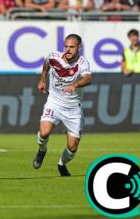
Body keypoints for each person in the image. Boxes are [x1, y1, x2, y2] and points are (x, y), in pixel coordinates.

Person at [33, 34, 92, 177]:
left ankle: (61, 164)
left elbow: (88, 78)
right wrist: (42, 80)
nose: (68, 49)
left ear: (79, 48)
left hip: (73, 108)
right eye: (66, 46)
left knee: (72, 147)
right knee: (44, 132)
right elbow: (46, 64)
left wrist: (75, 84)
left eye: (72, 47)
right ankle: (42, 150)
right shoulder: (54, 57)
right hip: (54, 102)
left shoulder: (82, 63)